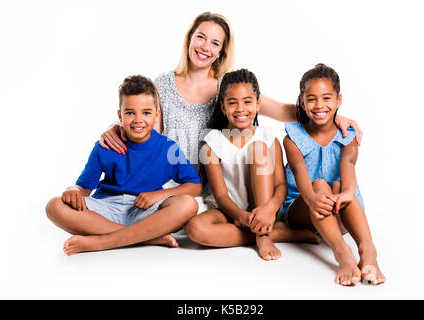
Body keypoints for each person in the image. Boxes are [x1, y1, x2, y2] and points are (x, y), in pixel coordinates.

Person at [98, 12, 363, 213]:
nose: (205, 47)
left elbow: (281, 110)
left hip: (219, 184)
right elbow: (143, 125)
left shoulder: (226, 87)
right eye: (200, 37)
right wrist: (117, 126)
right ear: (189, 38)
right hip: (174, 183)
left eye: (215, 43)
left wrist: (329, 115)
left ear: (221, 51)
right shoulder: (163, 85)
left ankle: (263, 229)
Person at [45, 75, 202, 255]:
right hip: (107, 208)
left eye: (146, 112)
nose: (138, 119)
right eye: (130, 112)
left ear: (156, 114)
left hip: (146, 212)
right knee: (54, 206)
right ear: (120, 115)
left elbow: (195, 186)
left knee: (188, 205)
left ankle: (103, 242)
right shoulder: (105, 146)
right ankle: (148, 237)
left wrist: (157, 195)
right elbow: (83, 189)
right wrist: (72, 189)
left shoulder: (168, 149)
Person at [185, 69, 321, 261]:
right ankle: (279, 234)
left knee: (258, 149)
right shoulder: (212, 142)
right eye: (232, 103)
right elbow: (221, 196)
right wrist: (241, 216)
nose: (240, 109)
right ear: (223, 107)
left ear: (258, 104)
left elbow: (281, 185)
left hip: (264, 209)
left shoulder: (268, 137)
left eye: (247, 101)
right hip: (230, 210)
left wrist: (269, 209)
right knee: (195, 229)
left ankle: (264, 235)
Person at [282, 64, 386, 285]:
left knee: (339, 186)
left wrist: (346, 194)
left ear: (339, 100)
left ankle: (368, 251)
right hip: (302, 208)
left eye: (327, 98)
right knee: (319, 183)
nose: (319, 105)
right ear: (302, 101)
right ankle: (343, 254)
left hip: (341, 212)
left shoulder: (348, 138)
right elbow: (301, 176)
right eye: (311, 99)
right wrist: (313, 199)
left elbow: (348, 170)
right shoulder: (293, 138)